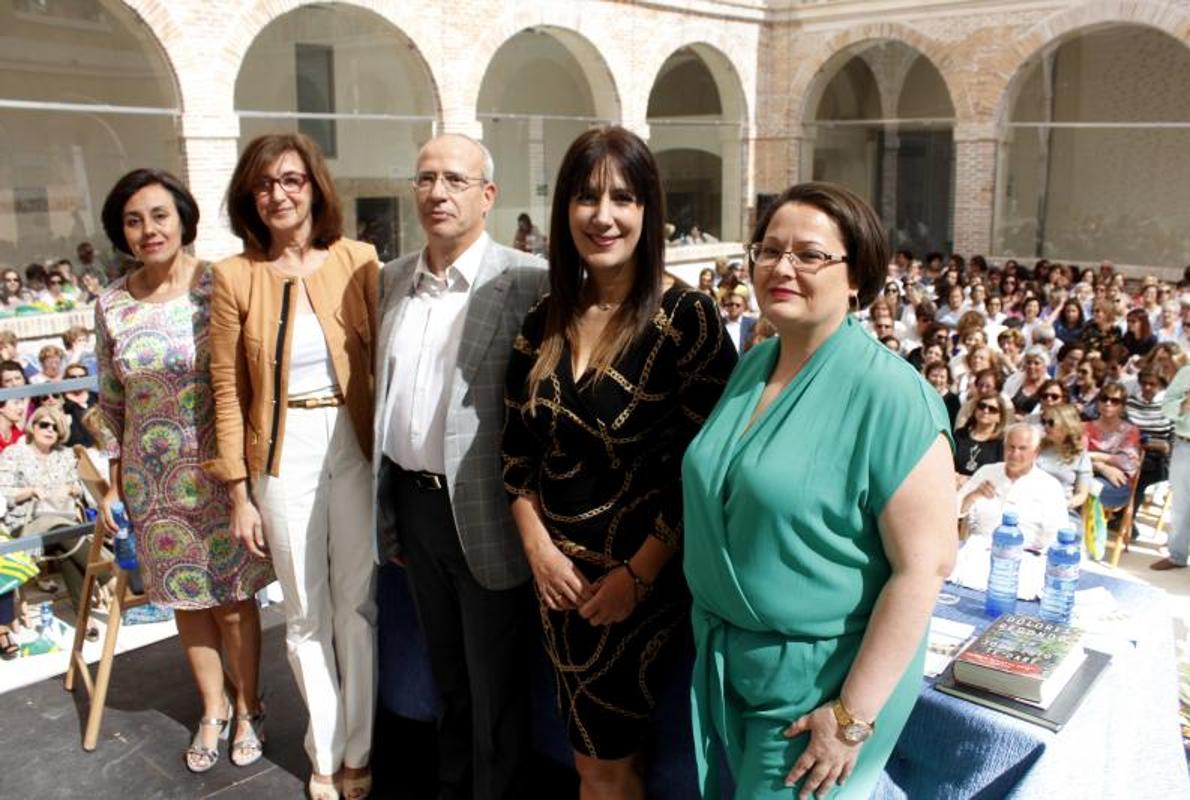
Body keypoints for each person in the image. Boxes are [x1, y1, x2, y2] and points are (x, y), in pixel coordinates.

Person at [683, 181, 956, 799]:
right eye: (769, 249)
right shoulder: (756, 363)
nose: (781, 267)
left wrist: (850, 719)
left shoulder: (892, 397)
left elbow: (924, 568)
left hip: (821, 691)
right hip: (738, 665)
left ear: (856, 276)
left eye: (809, 254)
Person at [502, 126, 735, 799]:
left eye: (623, 198)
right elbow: (516, 456)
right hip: (557, 587)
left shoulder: (687, 318)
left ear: (648, 211)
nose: (603, 216)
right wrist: (539, 552)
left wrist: (637, 575)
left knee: (610, 764)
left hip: (639, 590)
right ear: (563, 212)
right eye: (586, 197)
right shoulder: (542, 320)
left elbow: (705, 468)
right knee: (590, 762)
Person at [374, 133, 546, 800]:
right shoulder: (392, 279)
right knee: (445, 669)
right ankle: (453, 785)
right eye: (425, 179)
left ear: (488, 195)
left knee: (495, 678)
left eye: (454, 179)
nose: (437, 192)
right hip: (413, 508)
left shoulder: (529, 280)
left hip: (487, 511)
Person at [208, 133, 379, 800]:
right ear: (250, 198)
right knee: (304, 613)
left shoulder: (359, 260)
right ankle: (326, 749)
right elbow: (227, 387)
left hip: (352, 442)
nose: (278, 194)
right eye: (263, 185)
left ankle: (361, 748)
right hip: (281, 454)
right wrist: (238, 493)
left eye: (291, 180)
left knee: (357, 607)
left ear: (314, 187)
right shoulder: (234, 276)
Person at [93, 168, 276, 774]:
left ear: (183, 219)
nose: (148, 230)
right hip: (152, 481)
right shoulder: (110, 304)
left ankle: (250, 707)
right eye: (133, 220)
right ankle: (211, 708)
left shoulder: (218, 285)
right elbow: (111, 398)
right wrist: (116, 478)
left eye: (159, 215)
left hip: (221, 472)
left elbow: (249, 376)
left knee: (231, 599)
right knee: (187, 602)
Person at [958, 423, 1068, 549]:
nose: (1015, 454)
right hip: (977, 549)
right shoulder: (987, 472)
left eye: (1022, 448)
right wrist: (972, 496)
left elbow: (1056, 535)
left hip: (1023, 556)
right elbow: (956, 510)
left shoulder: (1049, 486)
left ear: (1035, 452)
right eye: (1011, 447)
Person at [0, 406, 82, 532]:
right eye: (44, 425)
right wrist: (31, 491)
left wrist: (69, 489)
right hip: (24, 523)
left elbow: (79, 489)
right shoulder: (13, 453)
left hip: (62, 520)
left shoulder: (66, 454)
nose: (50, 430)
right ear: (33, 427)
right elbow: (3, 492)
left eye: (55, 428)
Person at [1154, 363, 1190, 570]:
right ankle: (1177, 555)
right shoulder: (1186, 372)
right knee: (1181, 504)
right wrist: (1184, 404)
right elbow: (1166, 406)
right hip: (1185, 445)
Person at [1085, 381, 1142, 511]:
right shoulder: (1086, 428)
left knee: (1090, 488)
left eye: (1114, 401)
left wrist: (1095, 455)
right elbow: (1076, 457)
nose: (1108, 403)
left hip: (1116, 484)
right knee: (1085, 486)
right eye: (1104, 399)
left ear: (1122, 406)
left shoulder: (1130, 430)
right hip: (1087, 476)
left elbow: (1128, 463)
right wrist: (1102, 467)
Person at [1036, 403, 1093, 524]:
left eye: (1051, 423)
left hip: (1061, 509)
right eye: (1043, 422)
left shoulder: (1080, 455)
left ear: (1066, 425)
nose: (1045, 426)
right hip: (1032, 503)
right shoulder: (1037, 446)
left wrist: (1065, 504)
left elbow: (1081, 494)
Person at [953, 394, 1009, 483]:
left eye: (992, 409)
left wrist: (969, 480)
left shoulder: (1001, 443)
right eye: (982, 406)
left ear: (1000, 417)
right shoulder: (960, 434)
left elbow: (999, 473)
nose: (985, 411)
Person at [721, 287, 756, 353]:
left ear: (743, 307)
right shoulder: (720, 323)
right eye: (731, 304)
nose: (734, 307)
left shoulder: (752, 324)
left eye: (737, 305)